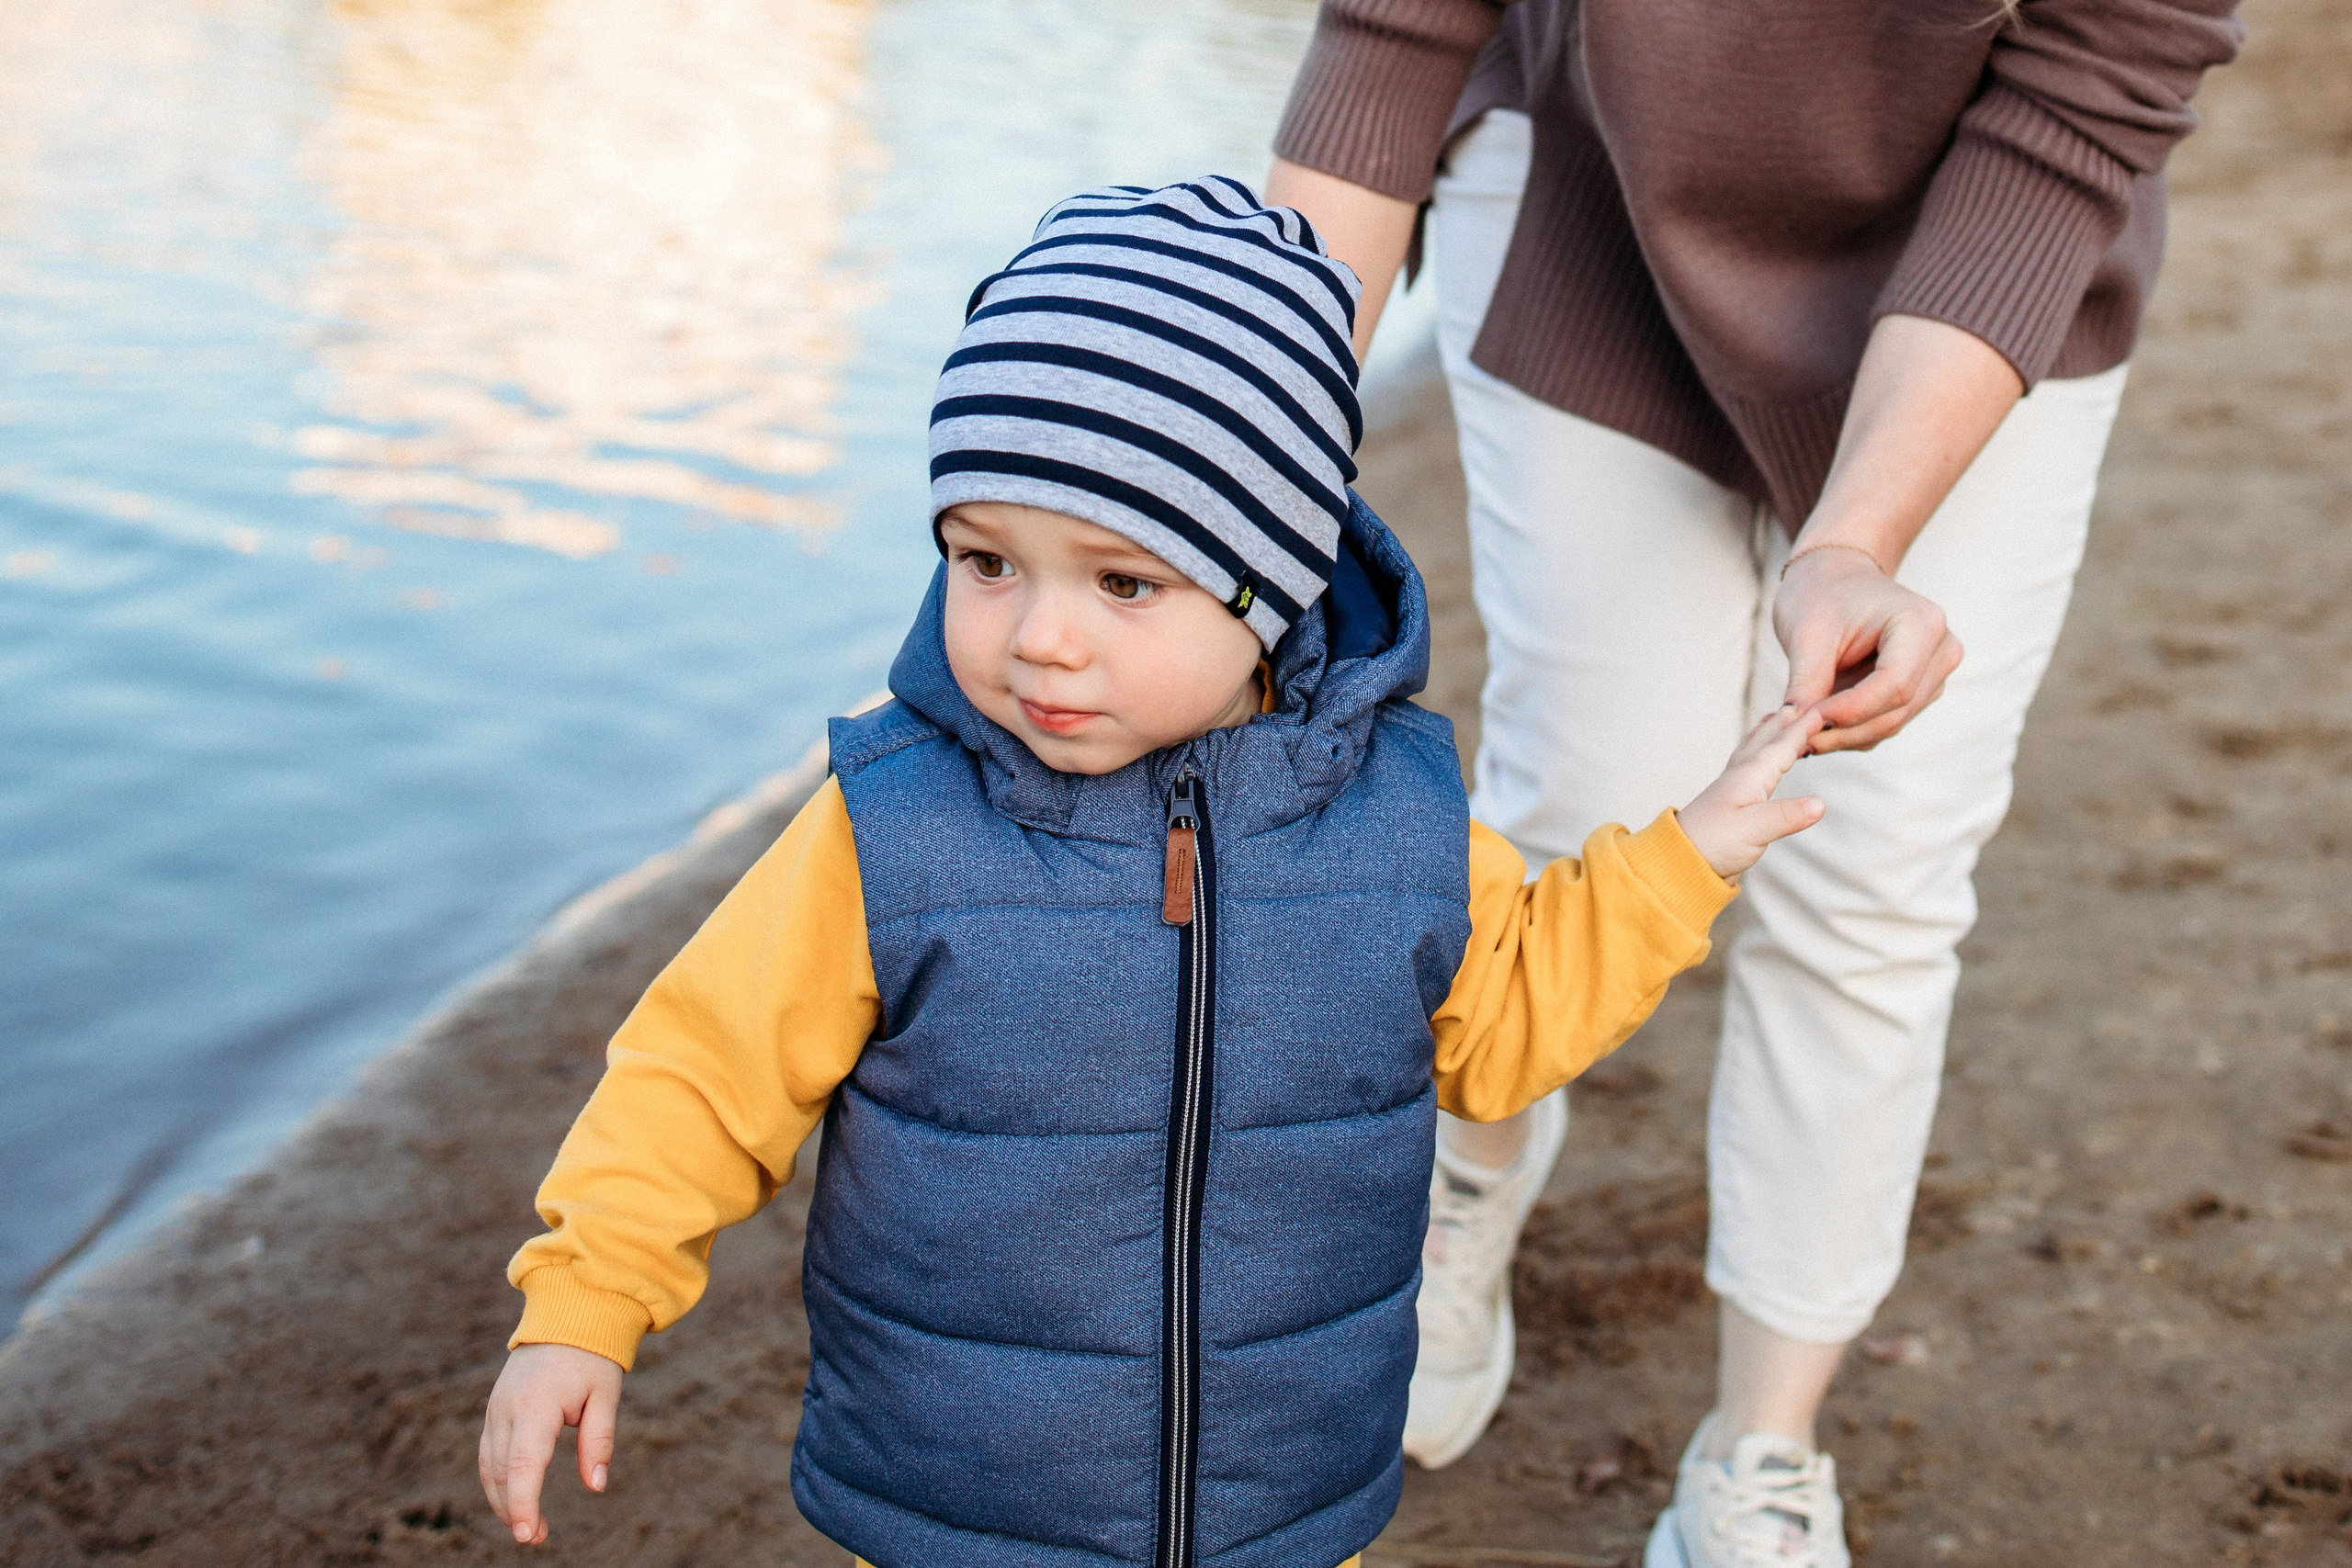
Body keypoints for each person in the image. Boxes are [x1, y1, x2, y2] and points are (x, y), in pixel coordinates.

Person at [474, 178, 1832, 1567]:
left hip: (1281, 1496)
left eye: (1124, 583)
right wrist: (584, 1303)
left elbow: (1508, 1025)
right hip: (964, 1504)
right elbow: (702, 1078)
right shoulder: (896, 828)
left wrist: (1684, 861)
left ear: (1272, 585)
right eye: (987, 562)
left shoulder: (1392, 821)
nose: (1040, 639)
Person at [1263, 2, 2243, 1563]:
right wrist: (1240, 464)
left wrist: (1856, 542)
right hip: (1591, 178)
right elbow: (1395, 28)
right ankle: (1472, 1167)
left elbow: (2081, 101)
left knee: (1873, 864)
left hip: (1997, 241)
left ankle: (1764, 1447)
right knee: (1590, 800)